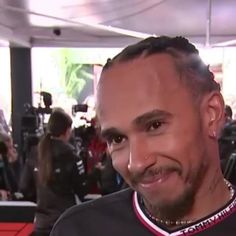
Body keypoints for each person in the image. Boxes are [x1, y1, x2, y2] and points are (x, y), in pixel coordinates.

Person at [50, 36, 236, 236]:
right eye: (118, 139)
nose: (136, 163)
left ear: (211, 114)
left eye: (154, 126)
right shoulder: (79, 230)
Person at [20, 109, 88, 236]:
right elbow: (82, 190)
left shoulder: (34, 154)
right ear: (67, 131)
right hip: (64, 222)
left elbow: (24, 187)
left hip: (41, 224)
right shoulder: (71, 156)